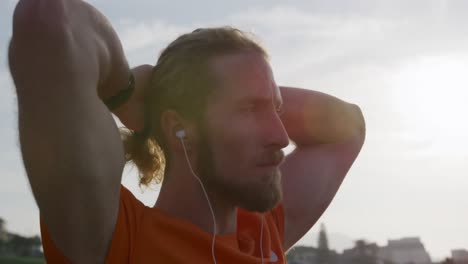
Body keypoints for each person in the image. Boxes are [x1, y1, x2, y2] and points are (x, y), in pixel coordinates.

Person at [8, 0, 365, 263]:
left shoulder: (262, 231)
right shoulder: (116, 241)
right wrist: (127, 92)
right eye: (249, 110)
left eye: (278, 110)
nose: (281, 136)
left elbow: (349, 127)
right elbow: (47, 18)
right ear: (179, 127)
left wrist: (249, 89)